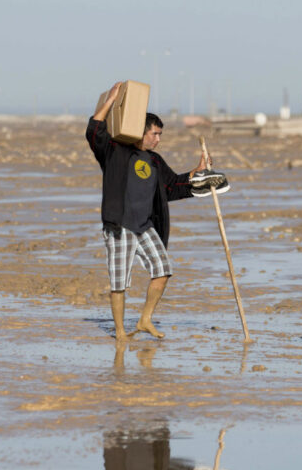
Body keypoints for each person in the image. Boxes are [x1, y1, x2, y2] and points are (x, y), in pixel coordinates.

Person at [86, 82, 220, 341]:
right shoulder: (115, 151)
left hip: (145, 227)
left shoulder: (155, 161)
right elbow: (93, 131)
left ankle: (145, 319)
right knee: (119, 284)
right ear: (141, 131)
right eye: (155, 134)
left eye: (160, 134)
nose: (158, 139)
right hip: (120, 226)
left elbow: (172, 187)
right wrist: (112, 100)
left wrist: (199, 170)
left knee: (163, 270)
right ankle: (121, 332)